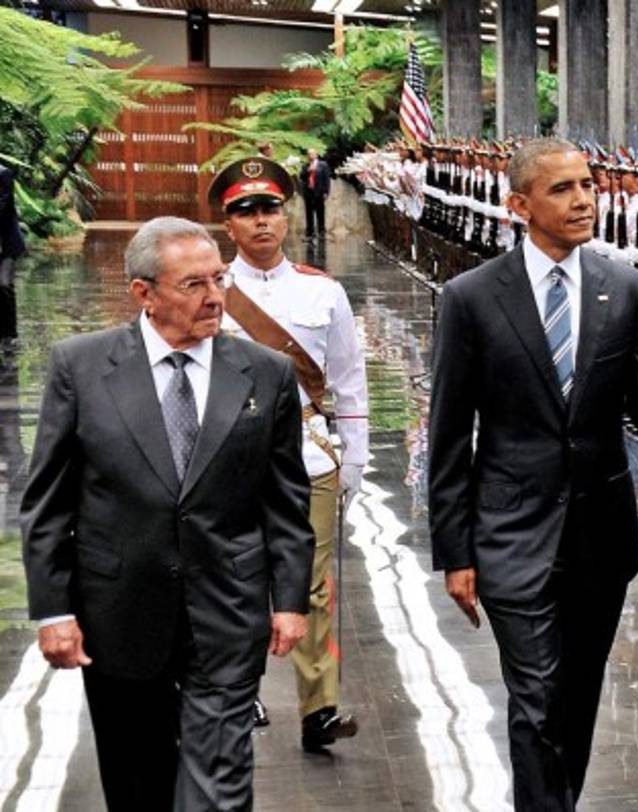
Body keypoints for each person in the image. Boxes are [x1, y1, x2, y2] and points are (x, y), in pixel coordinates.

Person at [428, 138, 638, 811]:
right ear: (519, 205)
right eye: (562, 189)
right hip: (510, 533)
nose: (583, 200)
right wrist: (455, 552)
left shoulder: (625, 288)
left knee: (575, 700)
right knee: (535, 701)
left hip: (599, 537)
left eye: (587, 185)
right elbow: (449, 436)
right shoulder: (471, 298)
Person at [20, 216, 314, 810]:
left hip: (227, 609)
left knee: (218, 786)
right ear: (143, 293)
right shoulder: (82, 367)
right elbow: (48, 502)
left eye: (219, 279)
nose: (214, 297)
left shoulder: (265, 373)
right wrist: (54, 610)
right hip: (119, 613)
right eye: (193, 284)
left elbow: (285, 498)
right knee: (138, 784)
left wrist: (290, 598)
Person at [208, 156, 369, 752]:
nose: (260, 221)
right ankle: (240, 688)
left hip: (309, 457)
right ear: (229, 223)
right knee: (237, 578)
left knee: (313, 583)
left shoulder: (322, 291)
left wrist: (354, 459)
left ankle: (319, 707)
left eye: (270, 208)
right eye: (245, 211)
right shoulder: (211, 290)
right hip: (230, 457)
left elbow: (348, 379)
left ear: (286, 215)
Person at [0, 163, 25, 349]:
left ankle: (10, 334)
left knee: (4, 284)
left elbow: (2, 207)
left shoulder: (4, 174)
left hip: (5, 243)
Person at [300, 148, 332, 241]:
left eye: (312, 154)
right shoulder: (305, 166)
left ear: (316, 155)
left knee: (320, 213)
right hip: (308, 192)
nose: (310, 156)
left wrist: (326, 192)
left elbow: (327, 179)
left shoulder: (323, 165)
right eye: (309, 154)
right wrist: (308, 171)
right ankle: (310, 233)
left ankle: (321, 232)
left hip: (319, 192)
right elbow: (301, 176)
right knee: (309, 214)